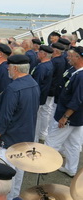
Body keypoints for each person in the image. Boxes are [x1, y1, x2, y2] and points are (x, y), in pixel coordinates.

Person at [0, 55, 40, 199]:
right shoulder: (33, 83)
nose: (7, 68)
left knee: (3, 175)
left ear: (16, 68)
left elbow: (5, 116)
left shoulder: (13, 88)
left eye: (9, 66)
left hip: (9, 140)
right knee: (18, 173)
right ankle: (15, 197)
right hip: (25, 137)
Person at [45, 46, 83, 177]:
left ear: (78, 58)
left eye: (70, 56)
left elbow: (77, 99)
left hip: (69, 117)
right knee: (73, 144)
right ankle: (71, 169)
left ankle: (45, 166)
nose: (68, 58)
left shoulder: (80, 76)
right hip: (77, 118)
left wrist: (65, 116)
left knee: (52, 140)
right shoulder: (75, 72)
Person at [31, 45, 54, 142]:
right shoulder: (48, 64)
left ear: (44, 54)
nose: (37, 54)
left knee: (35, 120)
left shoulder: (42, 67)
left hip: (37, 97)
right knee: (38, 118)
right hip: (42, 97)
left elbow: (37, 84)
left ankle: (34, 140)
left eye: (39, 52)